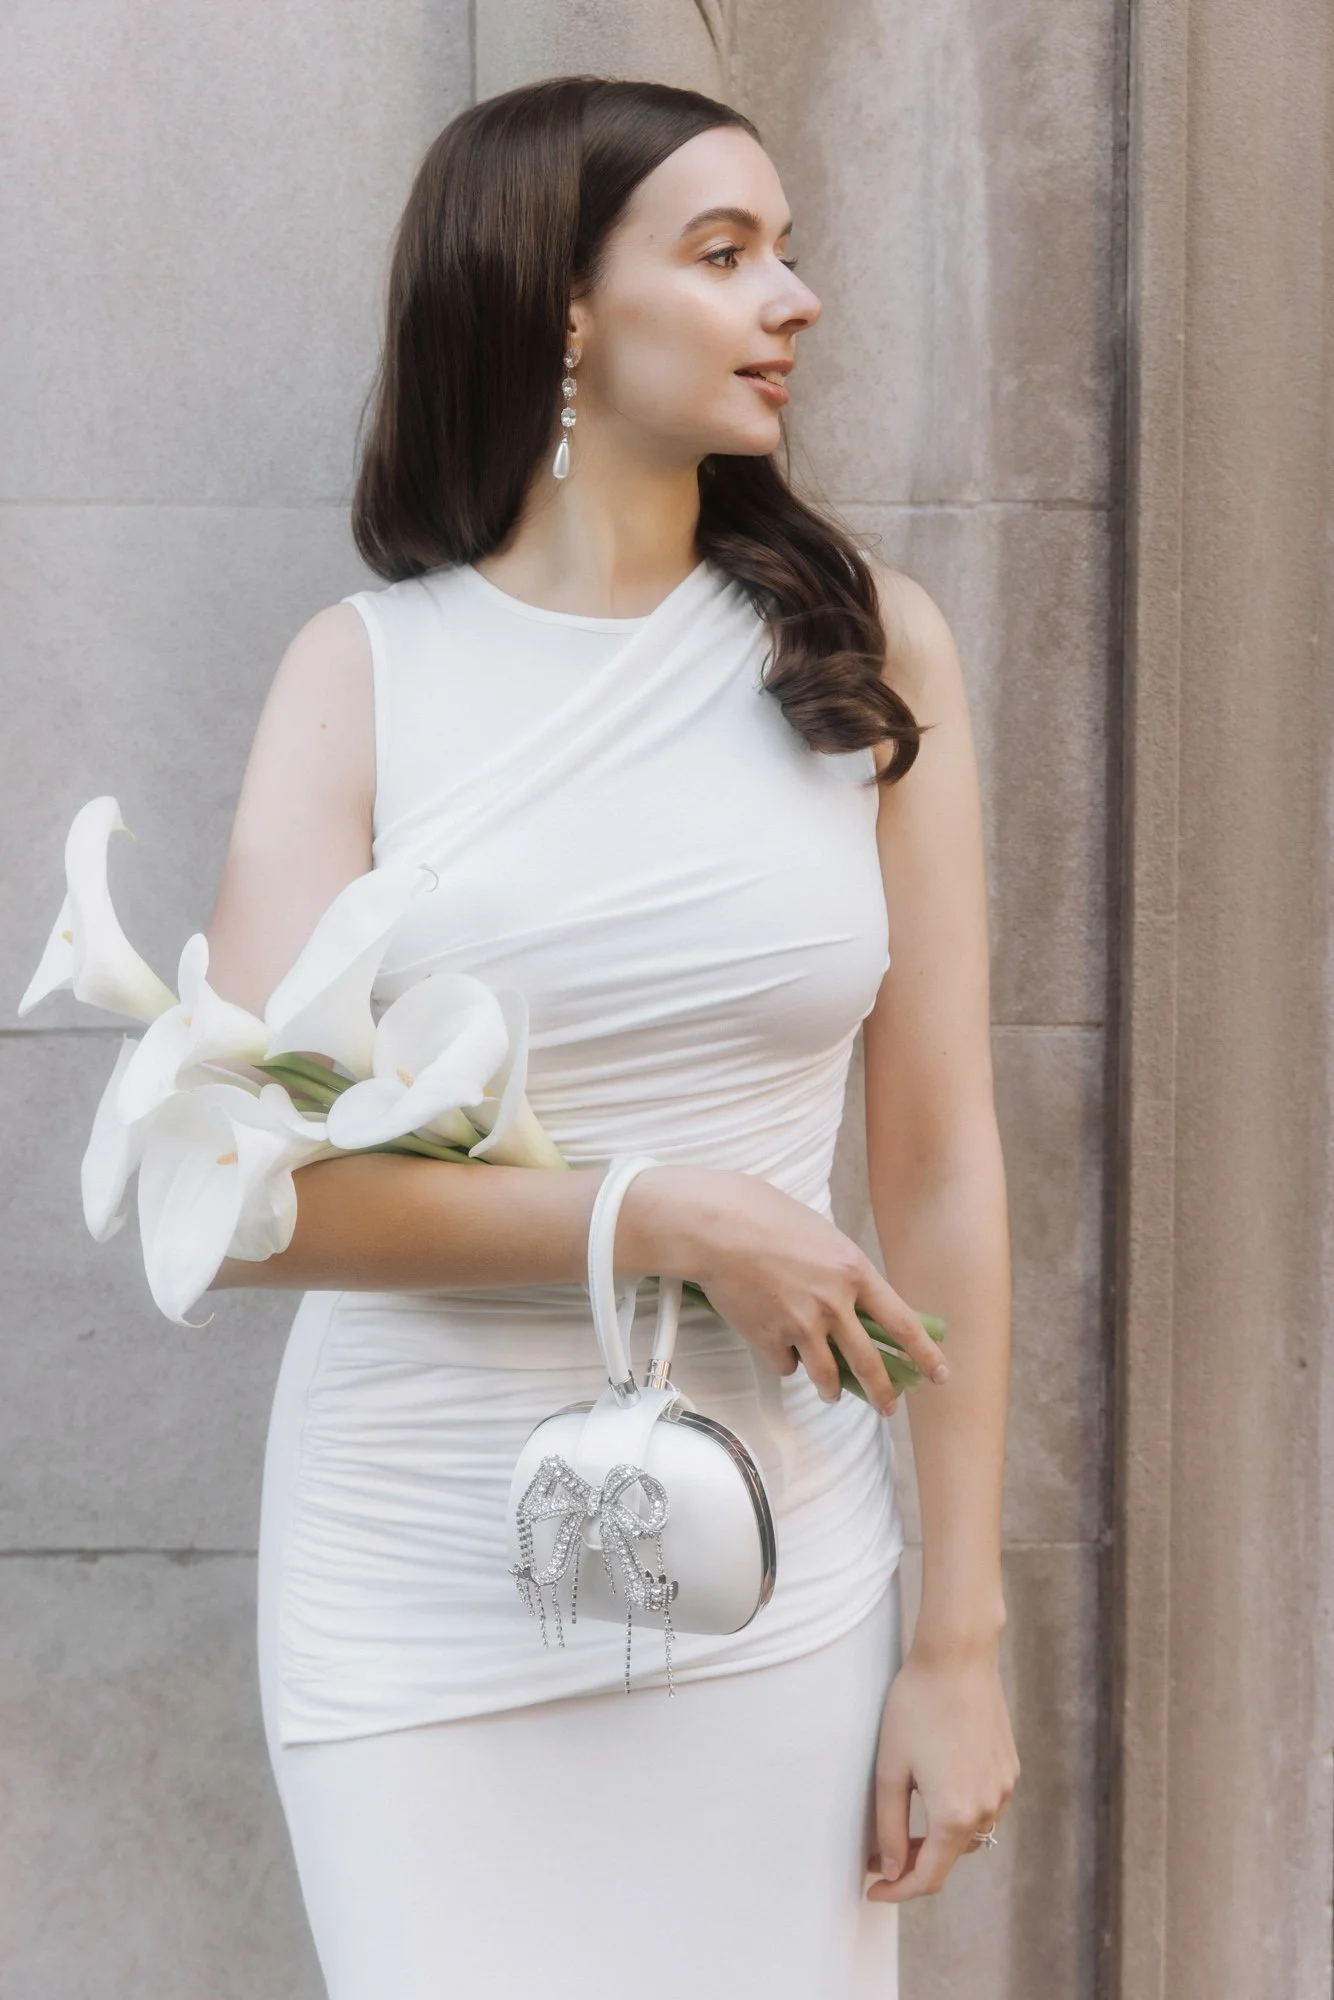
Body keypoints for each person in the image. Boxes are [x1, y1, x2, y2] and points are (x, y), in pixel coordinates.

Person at [205, 75, 1019, 2000]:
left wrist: (960, 1644)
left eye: (787, 250)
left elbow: (940, 1169)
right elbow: (238, 1193)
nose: (795, 297)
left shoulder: (866, 651)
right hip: (414, 1583)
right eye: (723, 253)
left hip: (785, 1566)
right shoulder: (364, 672)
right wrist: (660, 1212)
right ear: (560, 306)